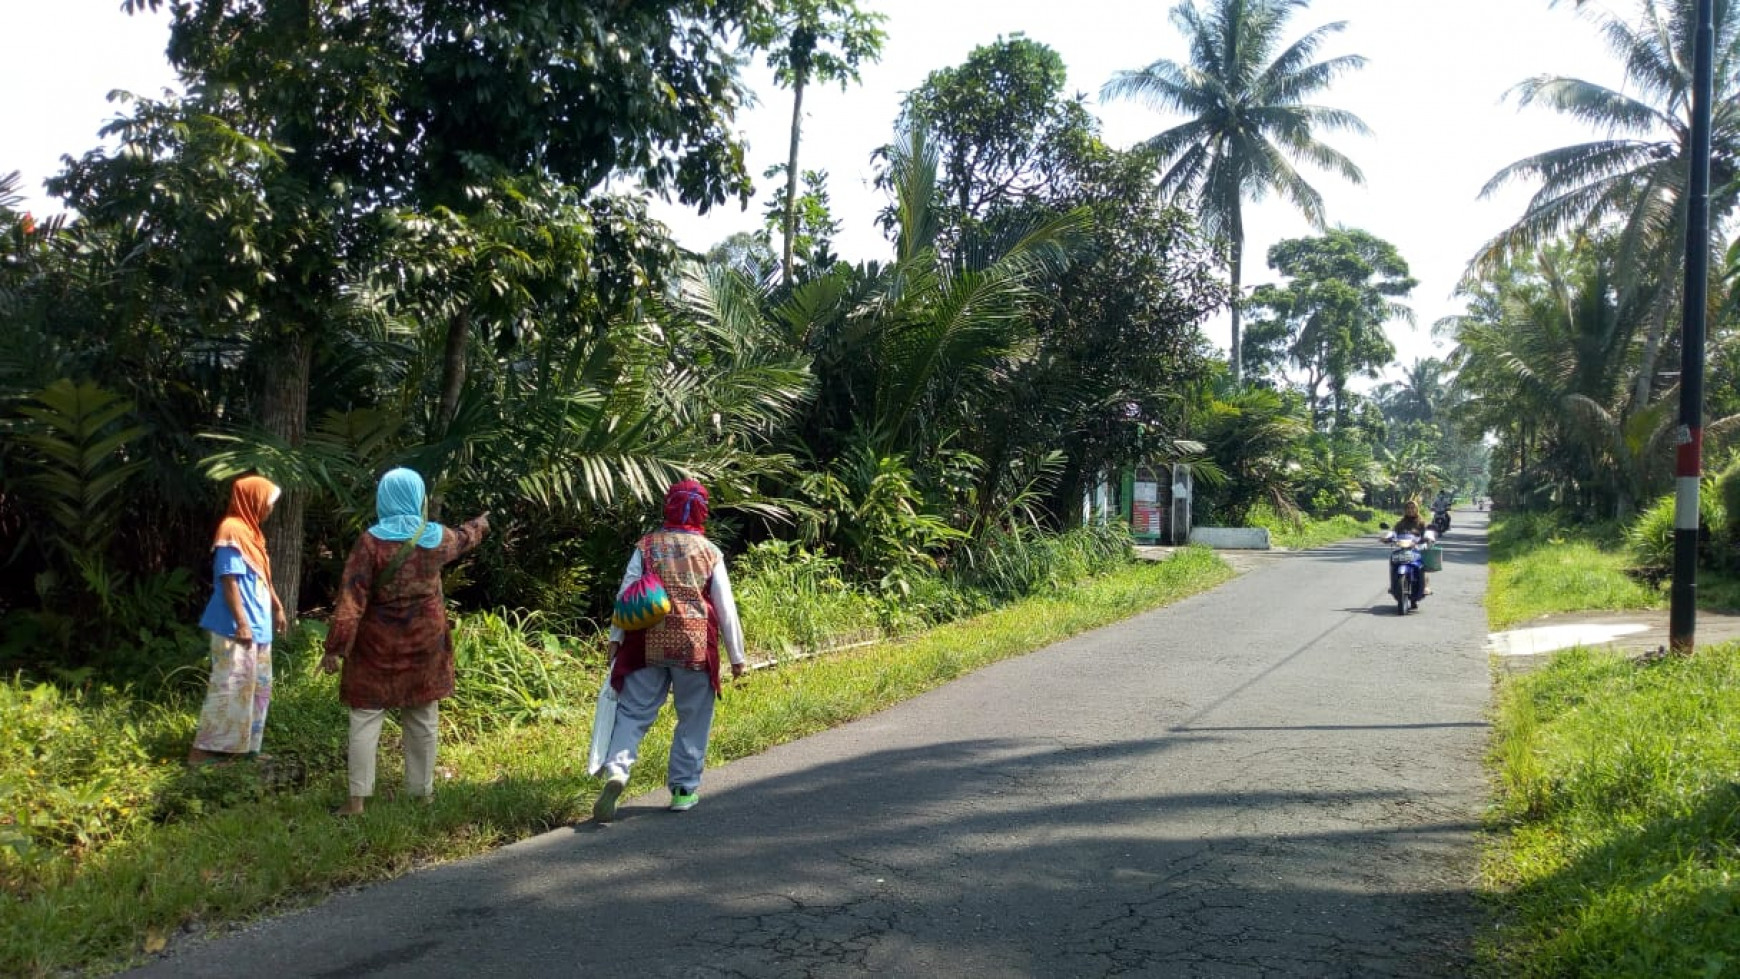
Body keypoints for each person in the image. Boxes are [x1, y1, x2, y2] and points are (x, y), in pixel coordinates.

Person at [319, 468, 489, 816]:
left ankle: (356, 803)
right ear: (418, 497)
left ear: (384, 498)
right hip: (424, 646)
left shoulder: (370, 543)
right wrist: (481, 523)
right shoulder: (435, 538)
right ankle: (421, 794)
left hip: (375, 648)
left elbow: (351, 601)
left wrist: (335, 648)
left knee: (365, 719)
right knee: (423, 717)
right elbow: (464, 537)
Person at [593, 479, 746, 823]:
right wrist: (737, 656)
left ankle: (617, 770)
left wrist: (616, 637)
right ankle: (683, 790)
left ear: (669, 506)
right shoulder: (710, 552)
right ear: (702, 510)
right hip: (693, 647)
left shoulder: (646, 546)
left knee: (633, 714)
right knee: (693, 718)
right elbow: (725, 605)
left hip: (645, 643)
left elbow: (627, 593)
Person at [189, 475, 288, 766]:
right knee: (229, 686)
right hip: (236, 628)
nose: (269, 509)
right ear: (252, 500)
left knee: (257, 689)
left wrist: (277, 607)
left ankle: (243, 749)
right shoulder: (231, 530)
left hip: (259, 627)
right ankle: (201, 752)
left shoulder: (252, 533)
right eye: (267, 502)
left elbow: (262, 577)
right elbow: (229, 579)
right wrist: (242, 622)